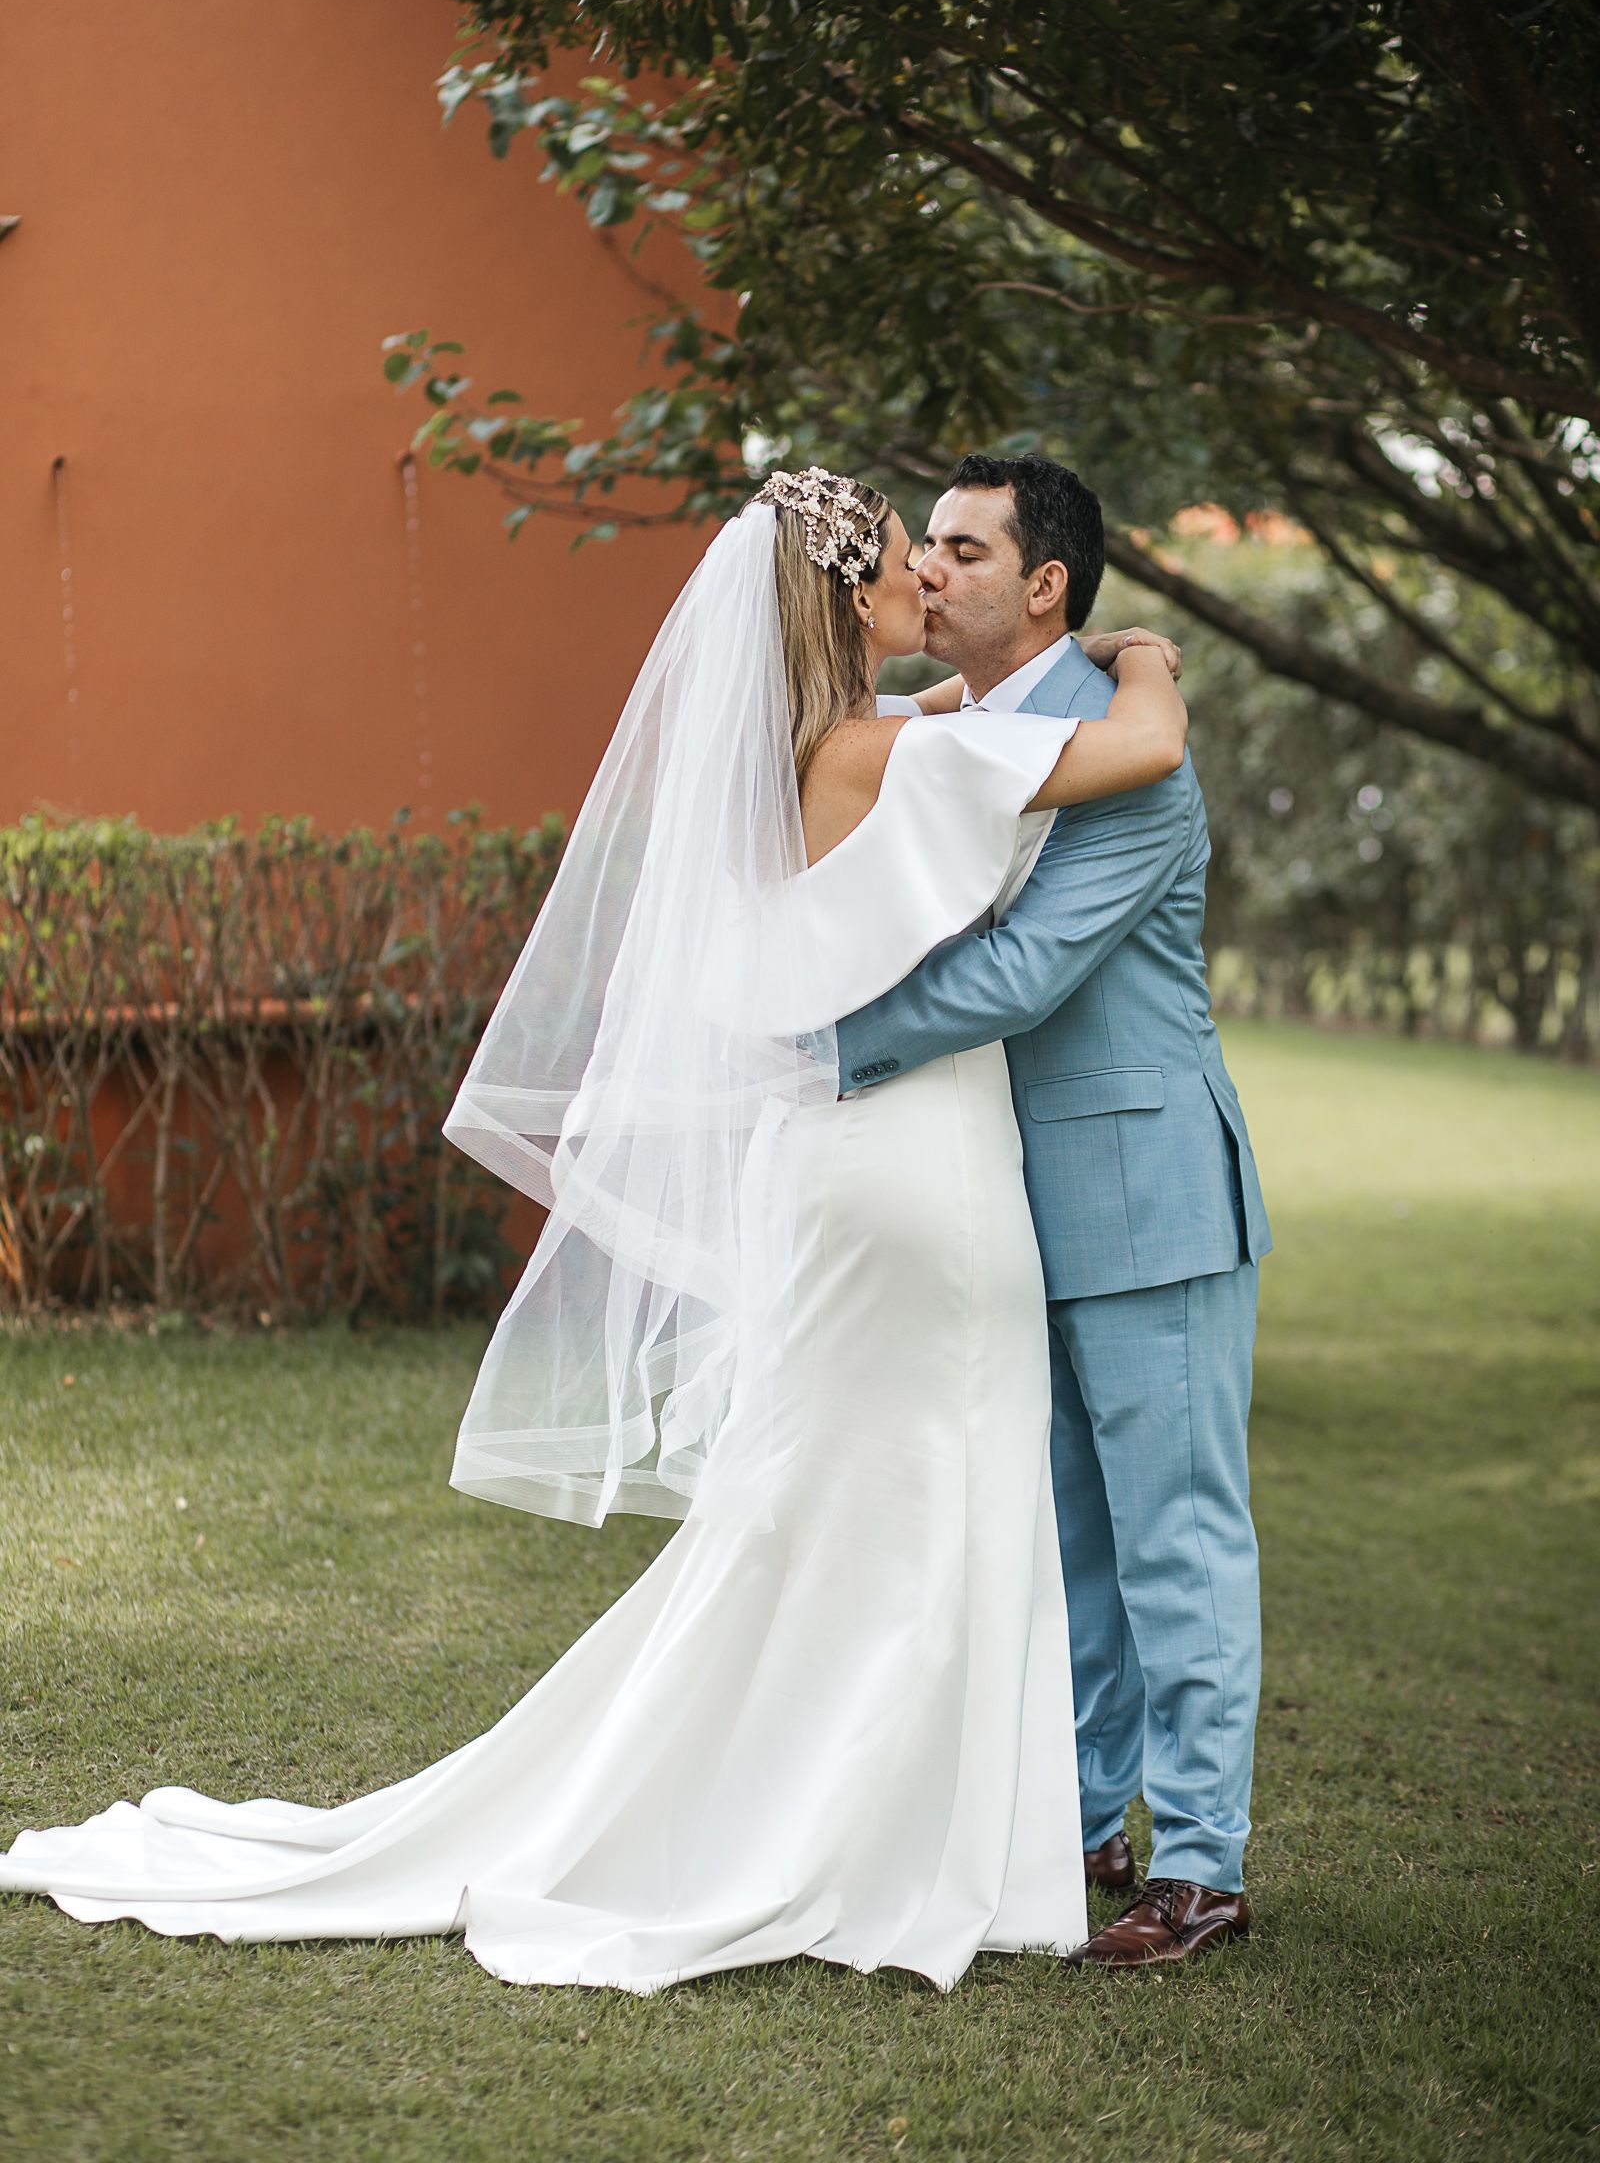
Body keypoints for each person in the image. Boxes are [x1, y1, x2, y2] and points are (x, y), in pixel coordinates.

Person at [0, 467, 1188, 1993]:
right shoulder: (883, 756)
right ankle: (871, 1837)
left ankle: (852, 1812)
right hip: (915, 1169)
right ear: (847, 598)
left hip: (836, 1164)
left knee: (838, 1497)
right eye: (904, 561)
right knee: (918, 1483)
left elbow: (975, 727)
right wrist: (1145, 654)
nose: (928, 583)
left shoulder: (814, 756)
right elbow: (1142, 745)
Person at [849, 452, 1271, 1969]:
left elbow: (1027, 972)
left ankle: (1202, 1867)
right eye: (927, 545)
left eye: (964, 549)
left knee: (1177, 1540)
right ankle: (1090, 1820)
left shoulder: (1132, 757)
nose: (929, 567)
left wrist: (824, 1036)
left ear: (1045, 585)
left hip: (1149, 1194)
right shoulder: (950, 728)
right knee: (1075, 1544)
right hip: (1010, 1196)